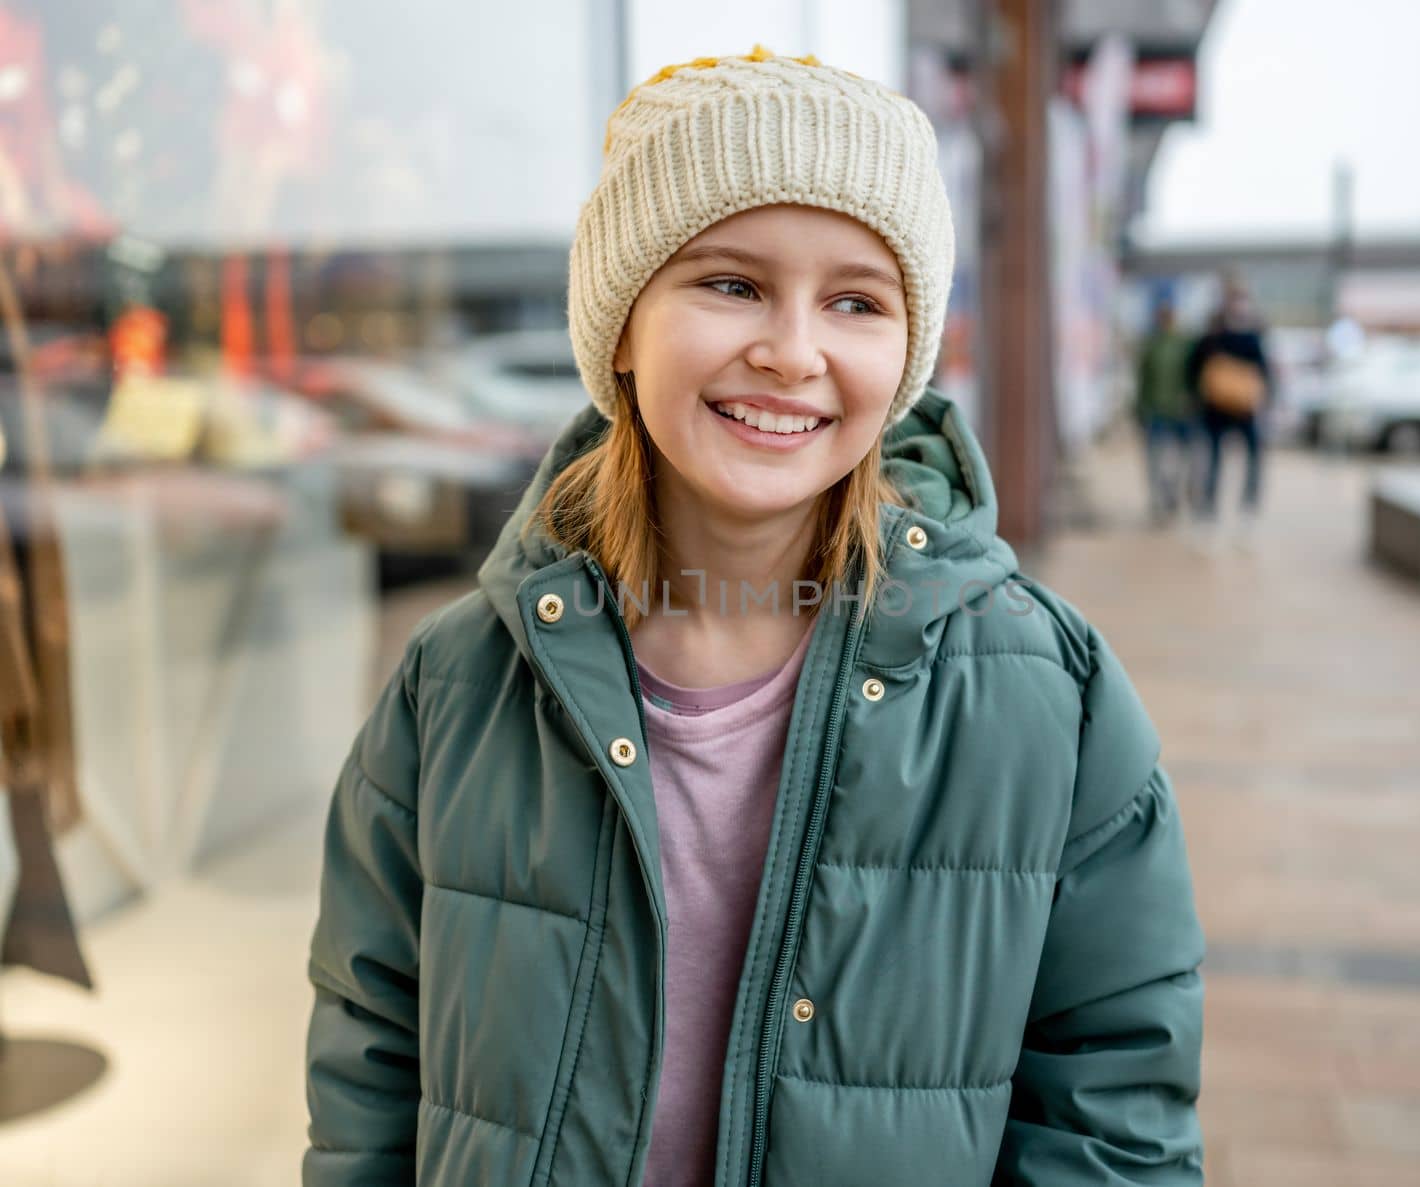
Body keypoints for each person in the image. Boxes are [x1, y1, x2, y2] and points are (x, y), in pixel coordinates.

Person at [303, 47, 1204, 1187]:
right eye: (729, 283)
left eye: (856, 301)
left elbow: (1114, 1104)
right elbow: (369, 1056)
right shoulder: (457, 683)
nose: (791, 349)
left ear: (907, 351)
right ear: (623, 327)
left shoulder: (1046, 692)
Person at [1187, 281, 1273, 540]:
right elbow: (1193, 370)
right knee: (1213, 463)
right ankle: (1209, 515)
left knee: (1252, 460)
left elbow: (1264, 373)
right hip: (1215, 411)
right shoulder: (1212, 337)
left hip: (1244, 411)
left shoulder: (1252, 337)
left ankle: (1246, 512)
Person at [1133, 297, 1196, 525]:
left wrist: (1191, 401)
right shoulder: (1152, 344)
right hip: (1156, 410)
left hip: (1180, 411)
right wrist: (1140, 407)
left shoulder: (1184, 344)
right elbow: (1142, 378)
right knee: (1155, 458)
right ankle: (1157, 500)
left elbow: (1193, 376)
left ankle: (1173, 494)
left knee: (1180, 459)